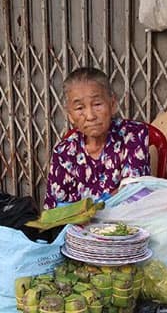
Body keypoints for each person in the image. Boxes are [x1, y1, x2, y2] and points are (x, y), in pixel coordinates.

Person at [44, 67, 151, 209]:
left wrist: (91, 210)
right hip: (77, 229)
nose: (90, 116)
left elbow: (132, 193)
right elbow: (54, 209)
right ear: (70, 115)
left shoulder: (133, 135)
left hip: (125, 226)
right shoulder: (64, 152)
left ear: (112, 105)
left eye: (97, 104)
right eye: (80, 108)